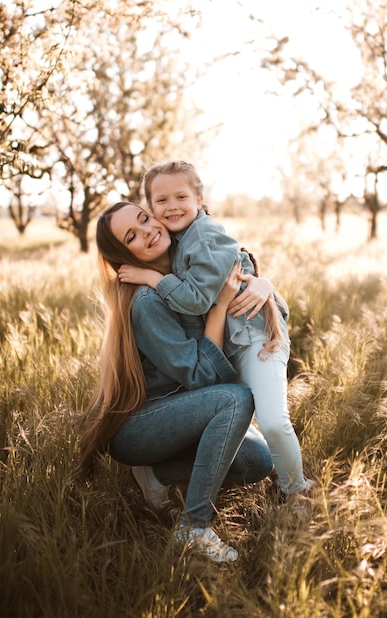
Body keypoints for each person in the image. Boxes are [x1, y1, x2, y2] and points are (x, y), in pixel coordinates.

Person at [79, 201, 274, 564]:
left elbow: (237, 263)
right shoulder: (148, 302)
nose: (148, 230)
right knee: (235, 401)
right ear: (125, 254)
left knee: (258, 460)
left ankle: (158, 473)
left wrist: (262, 283)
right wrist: (219, 308)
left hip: (180, 412)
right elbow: (201, 378)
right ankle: (194, 527)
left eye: (143, 218)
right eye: (132, 236)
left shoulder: (187, 268)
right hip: (141, 426)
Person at [118, 160, 313, 505]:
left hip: (253, 339)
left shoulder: (202, 236)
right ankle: (174, 488)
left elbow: (199, 296)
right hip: (219, 358)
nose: (171, 206)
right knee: (244, 413)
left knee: (271, 421)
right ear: (150, 207)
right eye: (160, 201)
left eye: (181, 196)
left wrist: (263, 284)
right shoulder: (175, 244)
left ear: (199, 198)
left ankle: (296, 492)